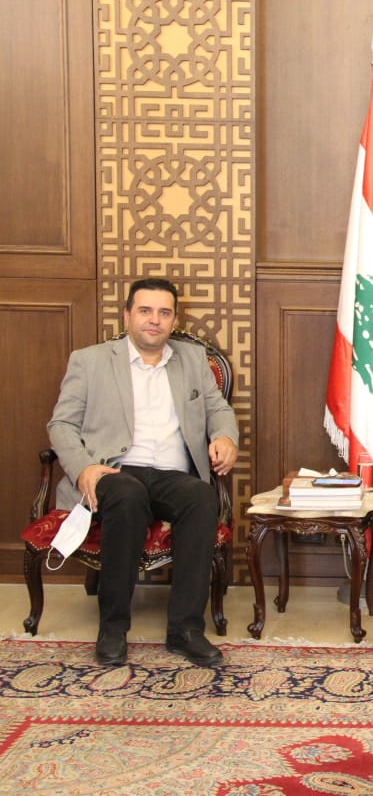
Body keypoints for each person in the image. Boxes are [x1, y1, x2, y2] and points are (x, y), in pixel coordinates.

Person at [48, 278, 239, 667]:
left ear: (174, 319)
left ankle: (185, 630)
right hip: (114, 471)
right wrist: (84, 469)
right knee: (128, 494)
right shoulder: (90, 361)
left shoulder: (192, 360)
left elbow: (218, 409)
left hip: (172, 473)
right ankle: (112, 627)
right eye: (145, 311)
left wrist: (225, 436)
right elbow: (61, 425)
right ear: (127, 315)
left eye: (164, 312)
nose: (155, 320)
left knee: (201, 497)